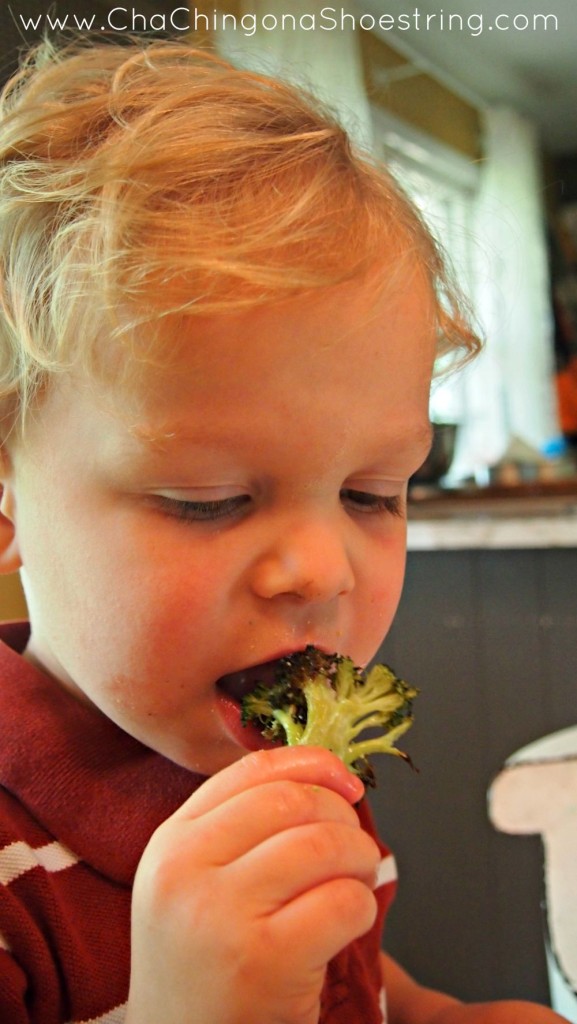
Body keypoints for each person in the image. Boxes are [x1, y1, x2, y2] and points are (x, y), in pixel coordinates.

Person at [0, 36, 564, 1024]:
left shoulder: (299, 772)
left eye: (373, 492)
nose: (317, 571)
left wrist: (443, 1016)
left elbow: (353, 989)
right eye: (208, 498)